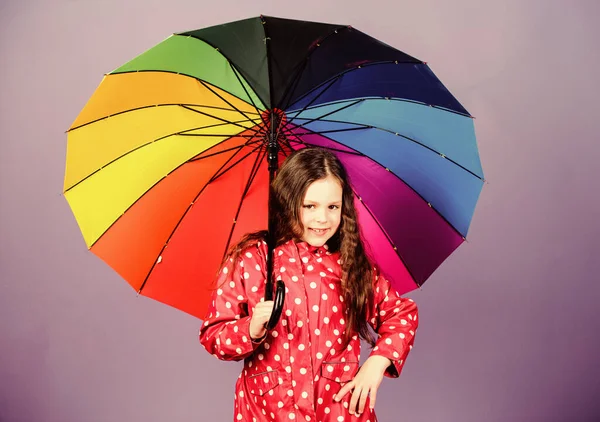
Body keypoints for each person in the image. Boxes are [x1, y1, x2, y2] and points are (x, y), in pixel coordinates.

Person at [199, 147, 418, 422]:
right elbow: (214, 335)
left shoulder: (350, 265)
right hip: (268, 412)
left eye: (332, 207)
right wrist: (251, 328)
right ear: (288, 201)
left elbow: (402, 314)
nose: (322, 219)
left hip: (338, 411)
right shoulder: (253, 260)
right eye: (310, 206)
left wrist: (377, 362)